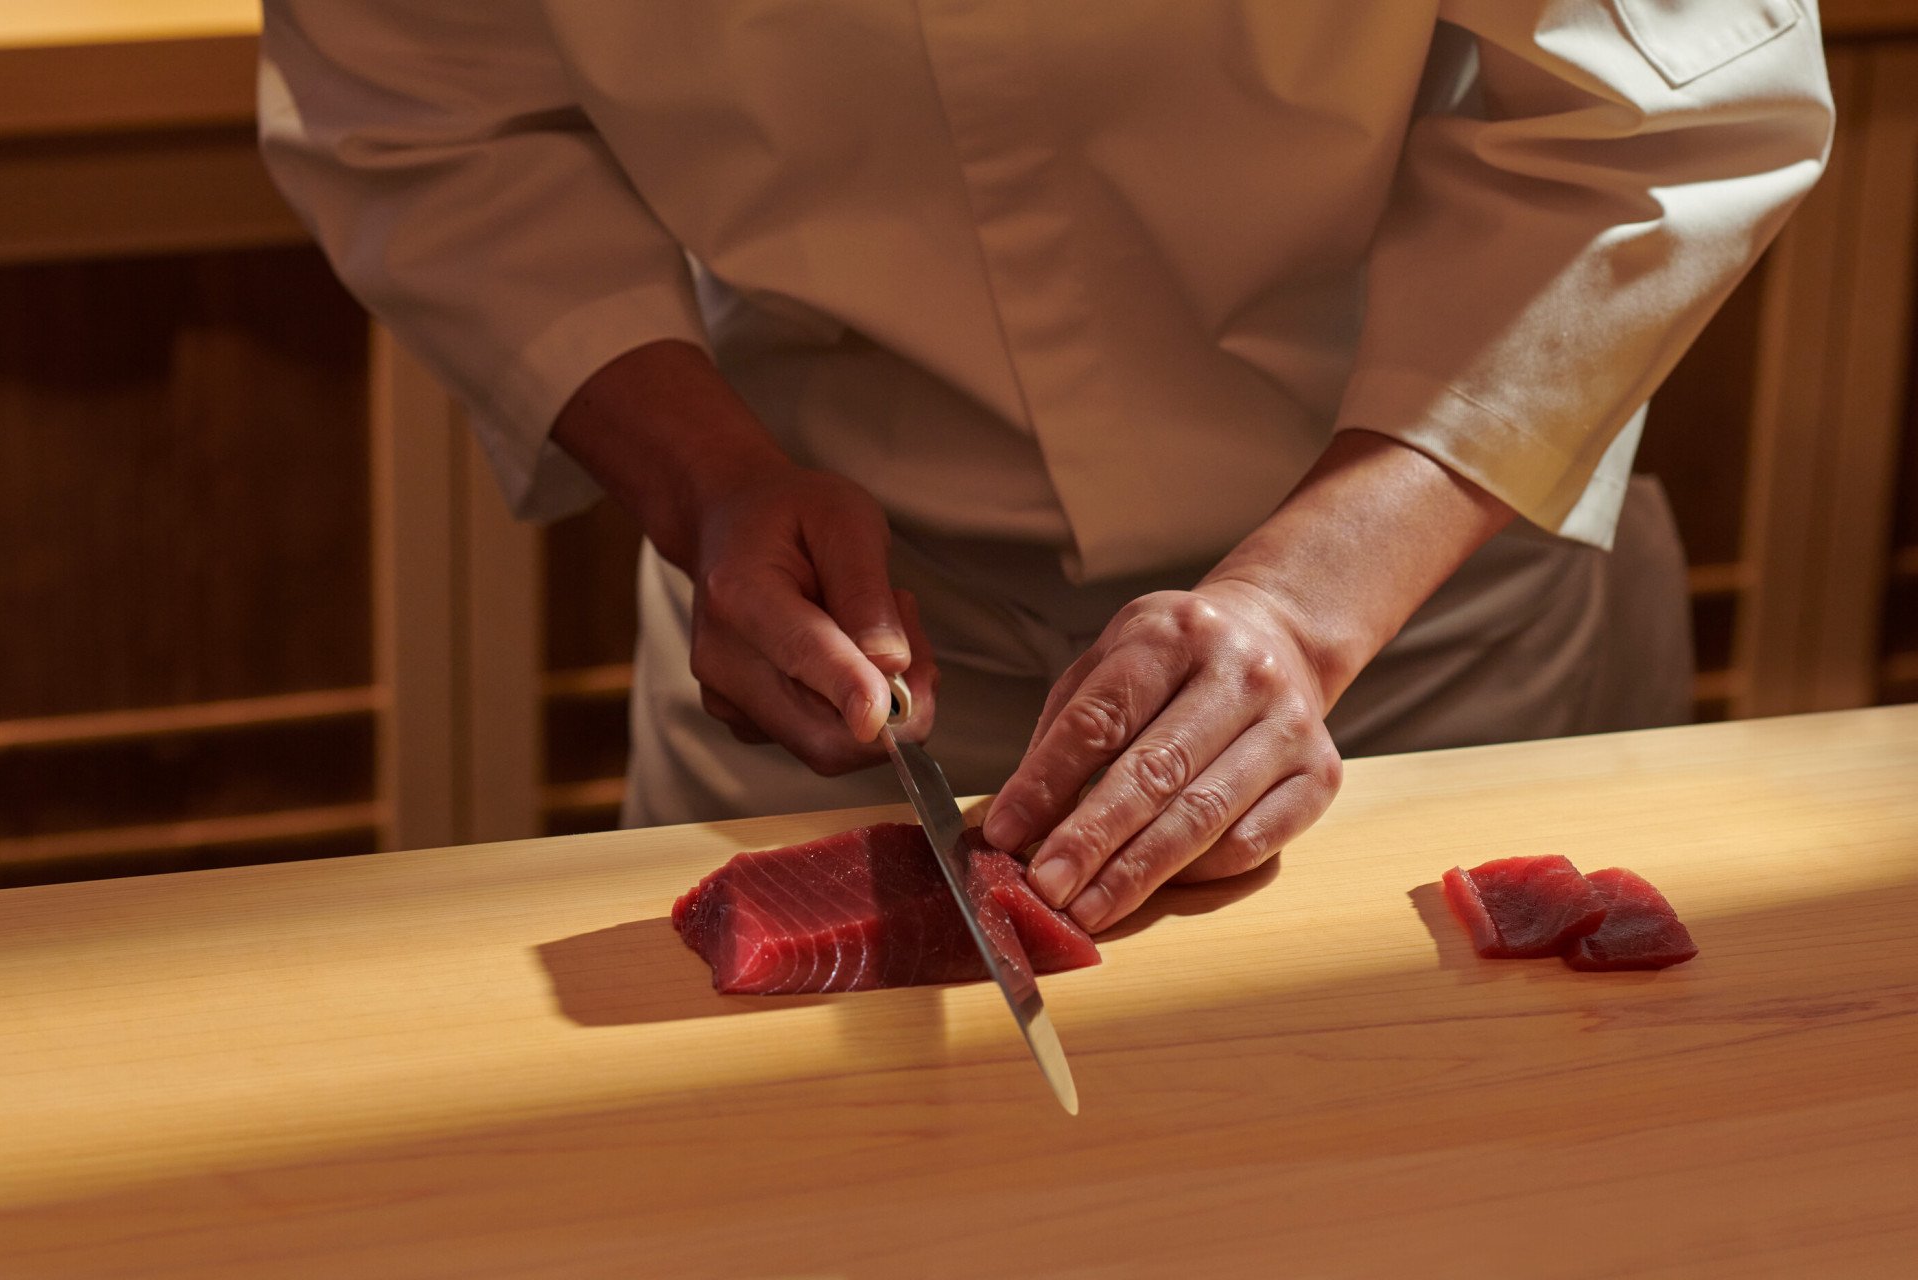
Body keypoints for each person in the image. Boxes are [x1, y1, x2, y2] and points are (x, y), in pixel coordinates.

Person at [260, 3, 1832, 933]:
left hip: (1419, 582)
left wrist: (1308, 602)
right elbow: (420, 113)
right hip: (833, 632)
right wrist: (708, 480)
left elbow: (1665, 117)